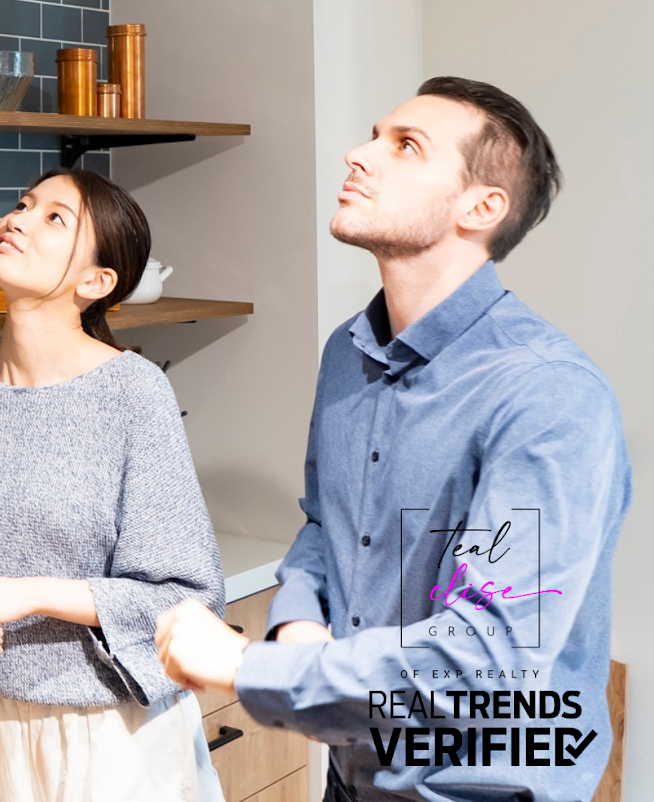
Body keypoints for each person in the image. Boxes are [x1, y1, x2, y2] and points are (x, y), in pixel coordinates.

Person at [154, 77, 631, 802]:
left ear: (482, 207)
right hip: (355, 779)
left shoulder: (547, 394)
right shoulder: (348, 352)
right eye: (376, 135)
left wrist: (249, 666)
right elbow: (327, 523)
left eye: (405, 147)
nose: (358, 154)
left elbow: (485, 664)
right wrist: (300, 626)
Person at [0, 168, 227, 802]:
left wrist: (21, 596)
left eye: (55, 218)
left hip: (121, 732)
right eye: (23, 205)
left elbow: (188, 597)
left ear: (95, 283)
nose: (15, 219)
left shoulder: (134, 393)